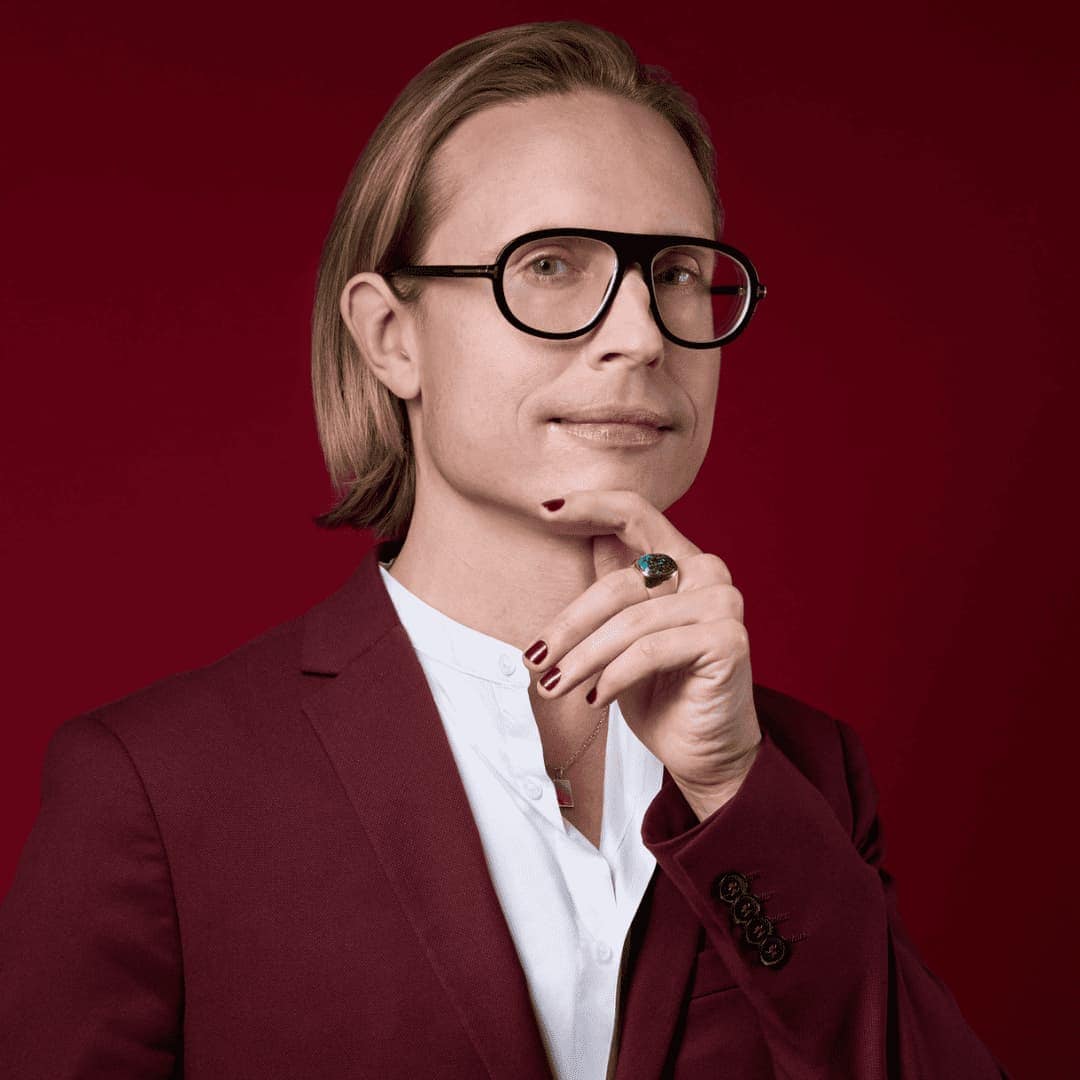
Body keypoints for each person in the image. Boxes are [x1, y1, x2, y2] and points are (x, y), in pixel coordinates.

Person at [0, 20, 1008, 1080]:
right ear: (392, 335)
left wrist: (733, 786)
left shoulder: (801, 776)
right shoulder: (158, 787)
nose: (643, 335)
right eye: (552, 265)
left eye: (674, 271)